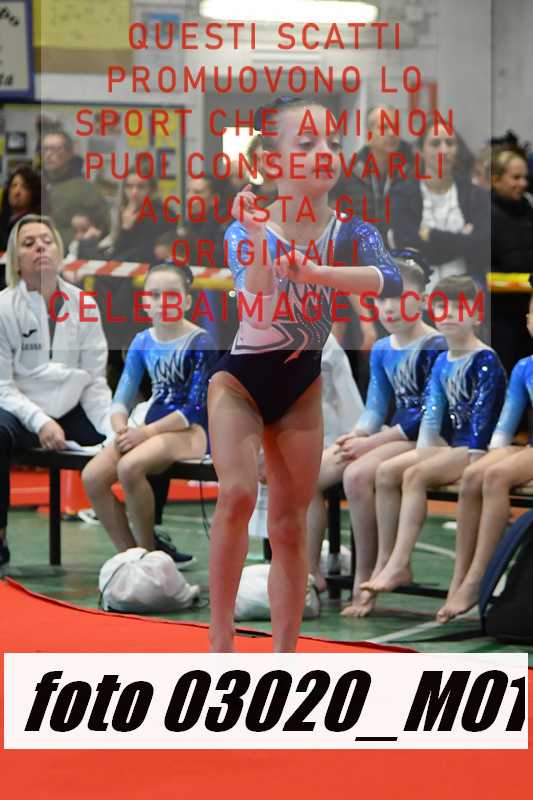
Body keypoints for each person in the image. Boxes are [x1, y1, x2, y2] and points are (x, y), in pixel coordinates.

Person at [207, 95, 402, 653]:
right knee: (238, 495)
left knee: (291, 525)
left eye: (333, 143)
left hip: (301, 390)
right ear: (271, 161)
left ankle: (284, 658)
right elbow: (257, 308)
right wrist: (261, 242)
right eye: (307, 143)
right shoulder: (246, 228)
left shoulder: (352, 230)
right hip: (240, 385)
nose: (325, 153)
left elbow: (389, 279)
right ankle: (220, 641)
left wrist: (317, 271)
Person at [307, 257, 446, 612]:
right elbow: (375, 406)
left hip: (428, 438)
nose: (389, 308)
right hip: (392, 434)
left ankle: (364, 575)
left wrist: (372, 441)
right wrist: (357, 433)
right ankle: (309, 571)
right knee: (307, 474)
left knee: (356, 476)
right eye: (382, 299)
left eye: (400, 298)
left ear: (421, 300)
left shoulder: (436, 346)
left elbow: (428, 413)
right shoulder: (384, 348)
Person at [360, 275, 506, 598]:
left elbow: (483, 421)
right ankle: (388, 560)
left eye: (459, 307)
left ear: (477, 316)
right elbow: (432, 413)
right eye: (442, 307)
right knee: (387, 471)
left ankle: (399, 561)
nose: (449, 314)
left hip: (475, 449)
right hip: (451, 446)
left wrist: (473, 459)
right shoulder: (442, 361)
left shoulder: (485, 359)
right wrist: (425, 448)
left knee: (414, 475)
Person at [82, 263, 217, 567]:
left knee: (130, 467)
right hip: (151, 426)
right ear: (144, 302)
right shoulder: (142, 341)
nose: (162, 302)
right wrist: (120, 428)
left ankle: (150, 559)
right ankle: (130, 556)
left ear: (186, 301)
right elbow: (121, 396)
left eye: (171, 295)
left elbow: (195, 407)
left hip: (191, 431)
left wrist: (144, 433)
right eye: (154, 295)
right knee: (92, 477)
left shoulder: (202, 342)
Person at [0, 215, 113, 567]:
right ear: (15, 260)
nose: (40, 248)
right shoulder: (3, 307)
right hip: (21, 410)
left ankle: (146, 537)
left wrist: (113, 427)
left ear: (60, 252)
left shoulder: (85, 305)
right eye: (29, 243)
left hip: (73, 407)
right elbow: (2, 385)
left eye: (47, 241)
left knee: (135, 439)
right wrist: (40, 421)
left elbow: (94, 380)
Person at [436, 292, 533, 622]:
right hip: (528, 448)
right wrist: (493, 454)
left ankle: (478, 579)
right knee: (474, 474)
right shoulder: (524, 366)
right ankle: (460, 576)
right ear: (528, 322)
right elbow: (505, 425)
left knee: (495, 476)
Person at [390, 117, 488, 290]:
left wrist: (430, 235)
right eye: (435, 144)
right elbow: (406, 245)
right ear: (420, 151)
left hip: (468, 292)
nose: (444, 150)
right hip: (417, 292)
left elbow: (482, 246)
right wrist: (462, 240)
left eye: (450, 143)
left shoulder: (476, 194)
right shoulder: (402, 194)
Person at [332, 105, 414, 243]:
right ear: (368, 134)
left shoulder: (411, 169)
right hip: (360, 249)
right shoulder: (349, 172)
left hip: (400, 249)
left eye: (395, 127)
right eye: (384, 127)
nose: (392, 133)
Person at [490, 145, 533, 377]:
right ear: (496, 180)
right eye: (515, 178)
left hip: (528, 309)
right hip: (500, 313)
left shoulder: (528, 209)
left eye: (525, 177)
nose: (523, 183)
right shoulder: (484, 213)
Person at [41, 130, 110, 250]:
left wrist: (84, 231)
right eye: (45, 149)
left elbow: (104, 228)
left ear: (69, 153)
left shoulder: (87, 190)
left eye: (55, 149)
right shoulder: (35, 185)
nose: (48, 154)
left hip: (70, 254)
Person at [107, 169, 175, 264]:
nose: (134, 192)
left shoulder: (163, 215)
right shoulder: (126, 211)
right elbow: (117, 250)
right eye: (129, 187)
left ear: (151, 190)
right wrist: (126, 228)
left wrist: (126, 229)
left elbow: (144, 253)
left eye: (141, 187)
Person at [0, 166, 49, 251]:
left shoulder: (35, 224)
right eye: (13, 186)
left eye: (24, 187)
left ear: (34, 193)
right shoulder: (5, 219)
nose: (17, 192)